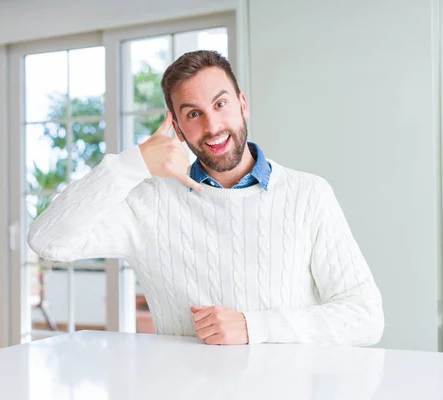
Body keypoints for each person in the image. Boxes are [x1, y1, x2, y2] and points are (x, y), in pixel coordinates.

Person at [28, 50, 384, 346]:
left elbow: (365, 316)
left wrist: (252, 327)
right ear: (178, 129)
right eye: (194, 114)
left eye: (220, 104)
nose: (212, 126)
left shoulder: (309, 195)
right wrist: (131, 164)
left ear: (242, 104)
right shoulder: (149, 204)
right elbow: (47, 241)